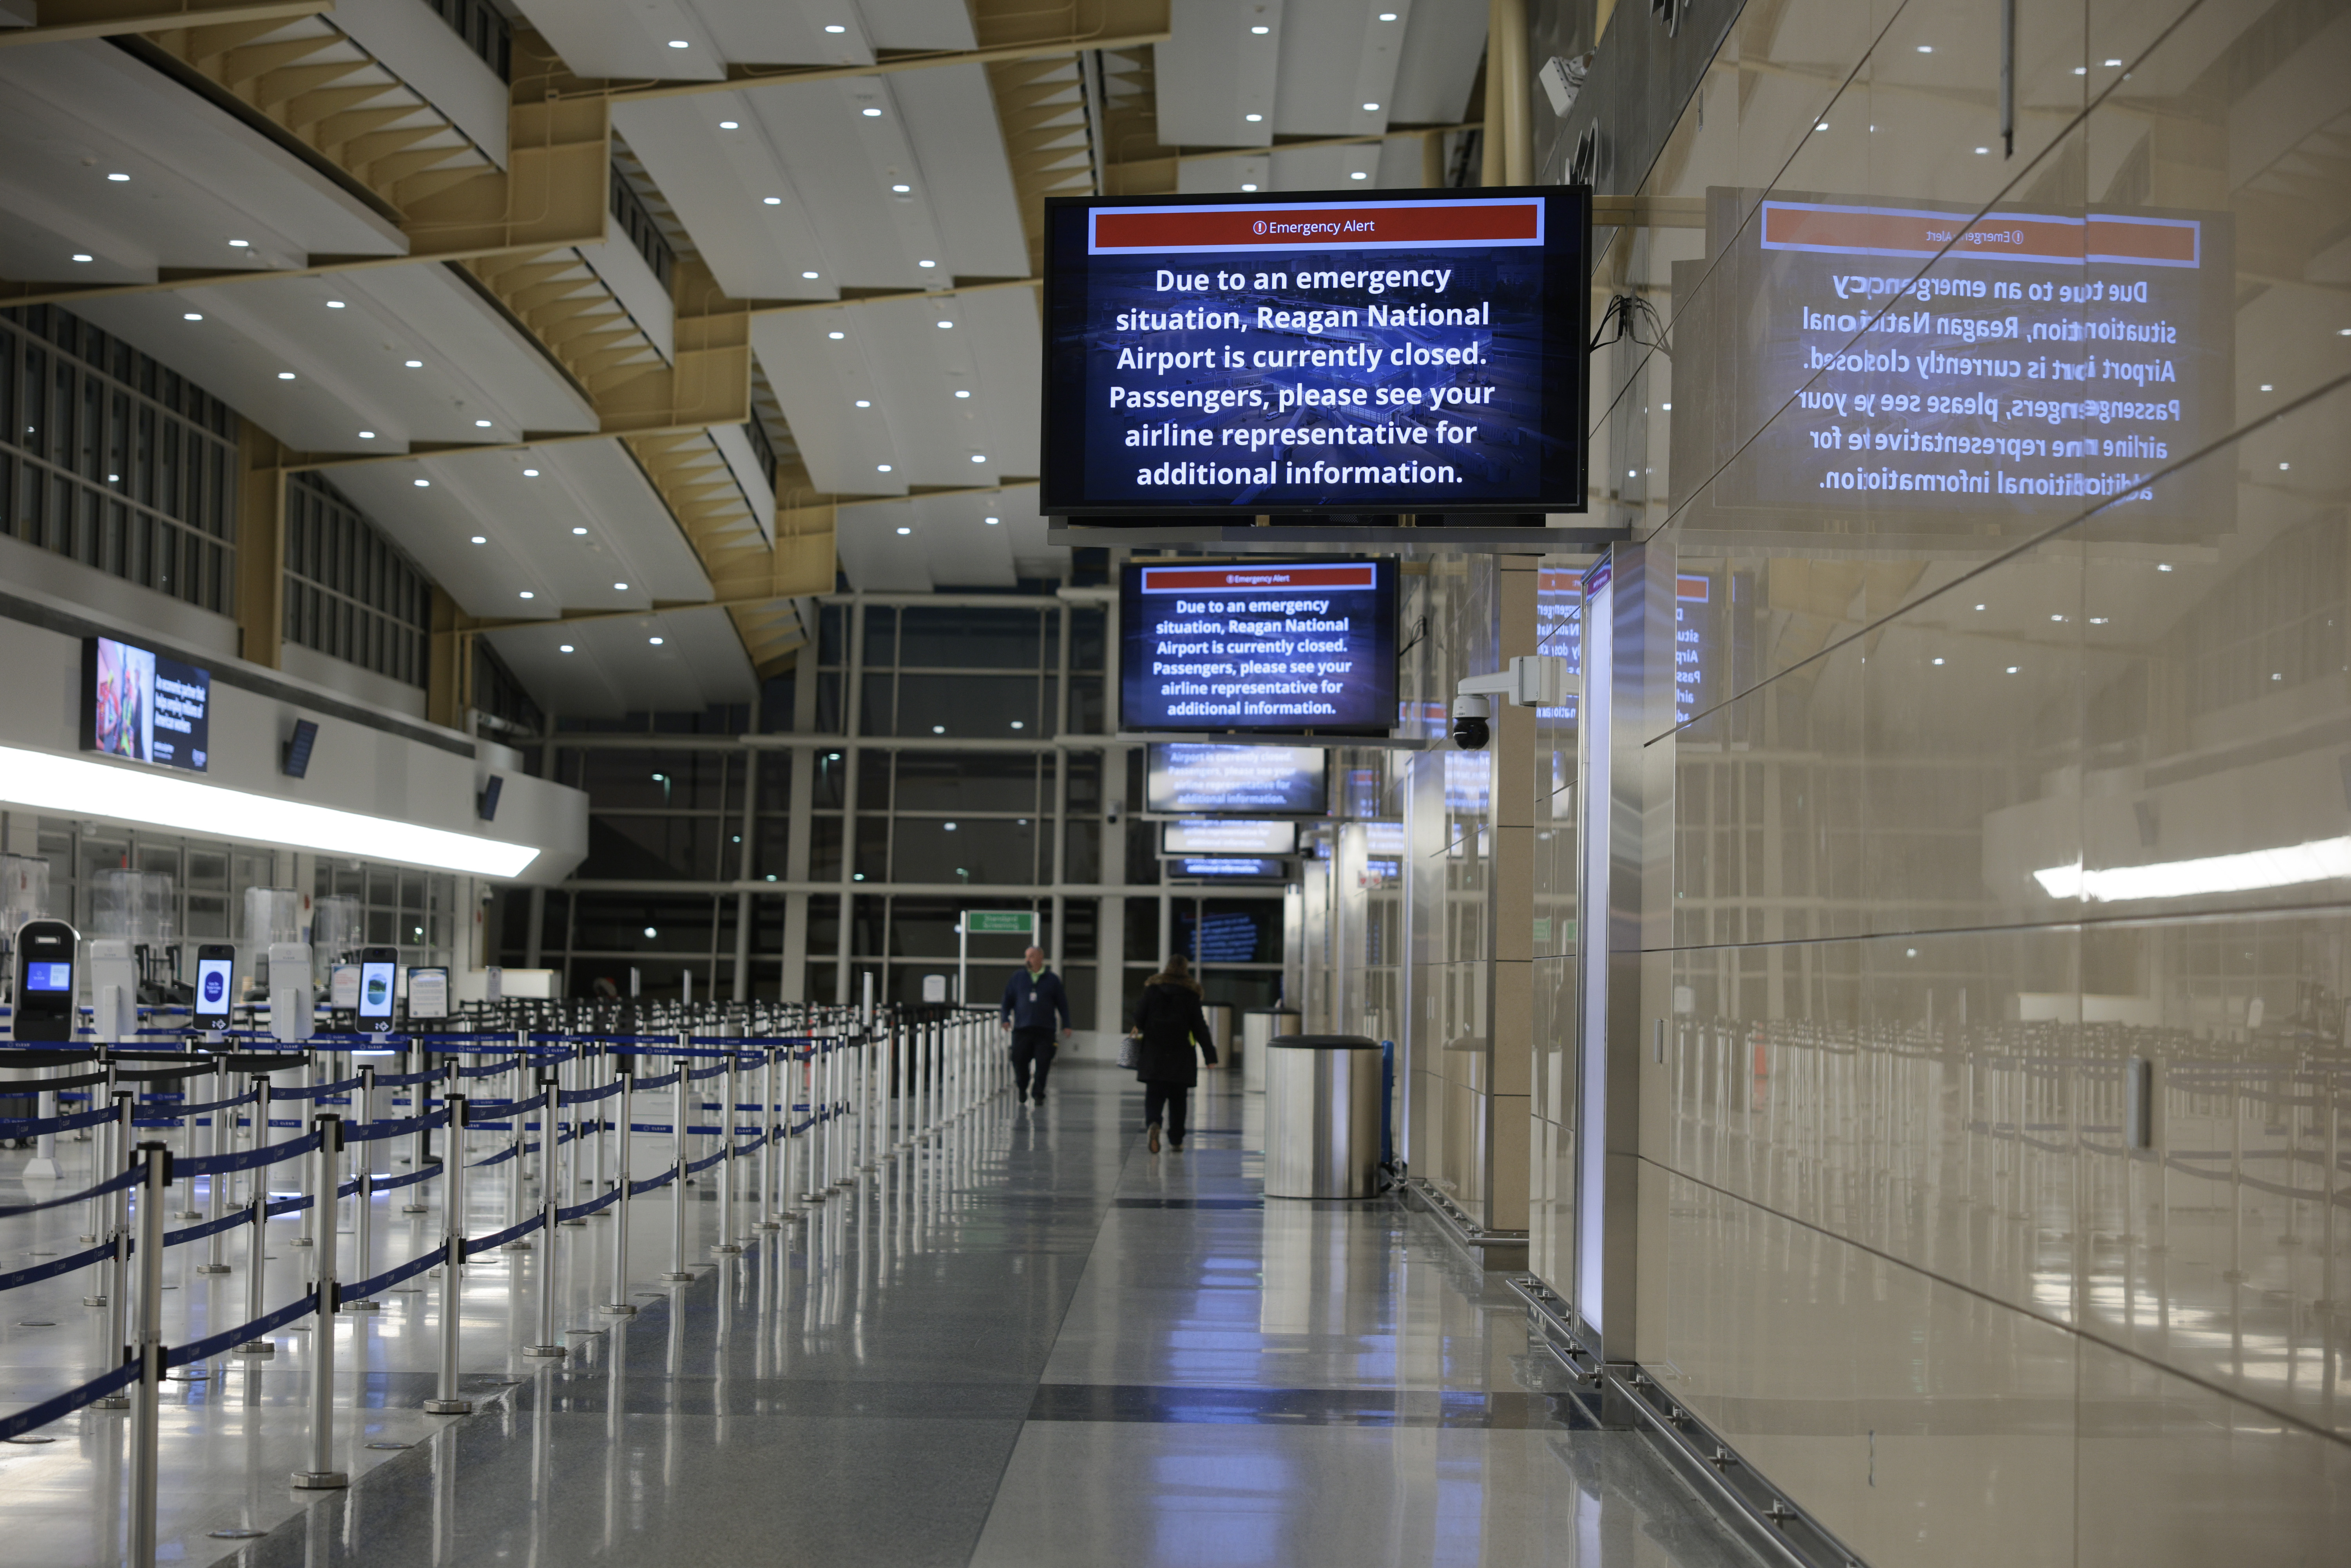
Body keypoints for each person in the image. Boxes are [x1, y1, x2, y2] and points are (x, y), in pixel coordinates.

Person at [1128, 955, 1217, 1152]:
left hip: (1154, 1053)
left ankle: (1153, 1123)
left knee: (1154, 1094)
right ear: (1186, 970)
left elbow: (1139, 1018)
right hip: (1181, 1054)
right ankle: (1176, 1140)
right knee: (1179, 1099)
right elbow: (1200, 1028)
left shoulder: (1152, 990)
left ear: (1167, 968)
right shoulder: (1191, 994)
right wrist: (1210, 1056)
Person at [998, 946, 1071, 1103]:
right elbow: (1007, 1001)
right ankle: (1022, 1086)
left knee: (1044, 1062)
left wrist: (1067, 1024)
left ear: (1040, 958)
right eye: (1026, 957)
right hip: (1022, 1029)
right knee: (1019, 1061)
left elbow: (1062, 1004)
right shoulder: (1018, 978)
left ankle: (1038, 1093)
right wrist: (1005, 1018)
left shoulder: (1052, 980)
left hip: (1045, 1030)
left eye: (1031, 956)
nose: (1027, 960)